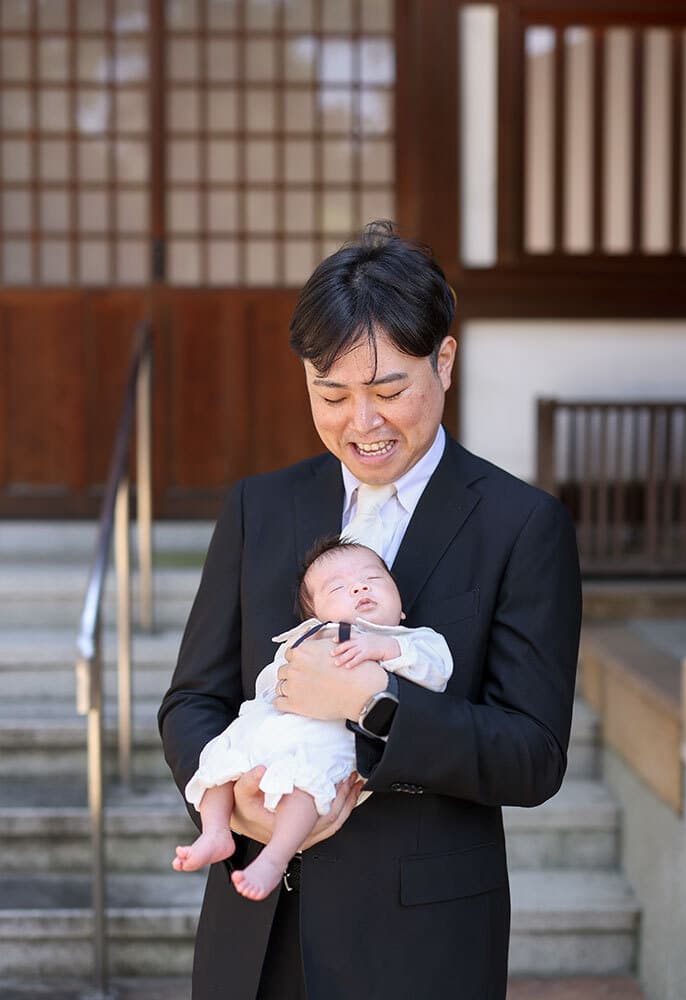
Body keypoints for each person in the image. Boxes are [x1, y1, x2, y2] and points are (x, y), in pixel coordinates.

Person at [158, 220, 582, 1000]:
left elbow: (533, 755)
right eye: (332, 393)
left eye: (388, 390)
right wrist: (238, 806)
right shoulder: (260, 506)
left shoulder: (522, 526)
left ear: (444, 361)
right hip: (256, 933)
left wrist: (375, 706)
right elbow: (193, 700)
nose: (364, 421)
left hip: (422, 940)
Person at [172, 537, 452, 902]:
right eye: (338, 587)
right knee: (219, 760)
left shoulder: (411, 640)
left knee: (303, 788)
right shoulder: (305, 637)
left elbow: (438, 671)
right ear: (316, 615)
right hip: (272, 725)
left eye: (374, 578)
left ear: (401, 609)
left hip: (326, 739)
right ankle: (214, 831)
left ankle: (274, 857)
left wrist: (384, 649)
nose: (359, 586)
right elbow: (271, 680)